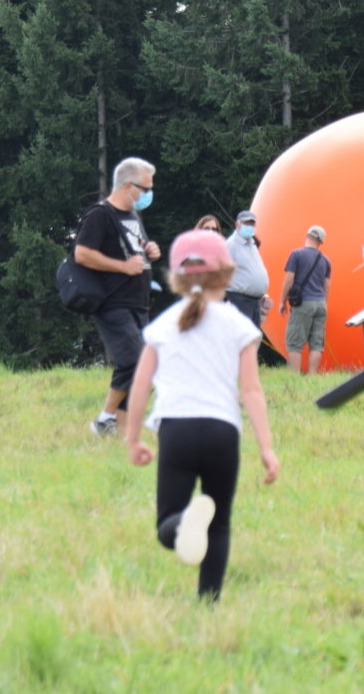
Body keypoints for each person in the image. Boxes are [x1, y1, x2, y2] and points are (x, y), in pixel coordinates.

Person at [124, 229, 281, 602]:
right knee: (220, 525)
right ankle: (207, 606)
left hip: (177, 431)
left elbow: (140, 386)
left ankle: (184, 520)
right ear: (227, 273)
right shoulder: (240, 326)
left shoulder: (162, 326)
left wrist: (133, 438)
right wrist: (267, 448)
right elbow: (251, 390)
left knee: (167, 526)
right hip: (222, 432)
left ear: (177, 277)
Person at [73, 157, 162, 437]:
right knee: (135, 361)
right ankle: (104, 419)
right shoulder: (100, 214)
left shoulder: (132, 216)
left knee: (137, 365)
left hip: (138, 301)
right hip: (113, 302)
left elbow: (131, 250)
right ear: (127, 186)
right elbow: (82, 253)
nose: (149, 194)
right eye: (145, 189)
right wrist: (123, 266)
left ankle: (121, 432)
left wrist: (149, 251)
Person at [277, 225, 331, 374]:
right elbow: (327, 285)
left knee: (294, 343)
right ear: (321, 242)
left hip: (303, 304)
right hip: (320, 303)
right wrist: (324, 303)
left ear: (307, 236)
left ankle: (294, 377)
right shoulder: (326, 260)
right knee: (316, 344)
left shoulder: (296, 255)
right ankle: (312, 376)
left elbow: (289, 279)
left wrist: (282, 301)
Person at [224, 210, 270, 327]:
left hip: (255, 302)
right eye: (246, 223)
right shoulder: (231, 245)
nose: (249, 227)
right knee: (242, 339)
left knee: (252, 340)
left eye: (252, 224)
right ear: (237, 224)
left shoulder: (252, 244)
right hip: (239, 300)